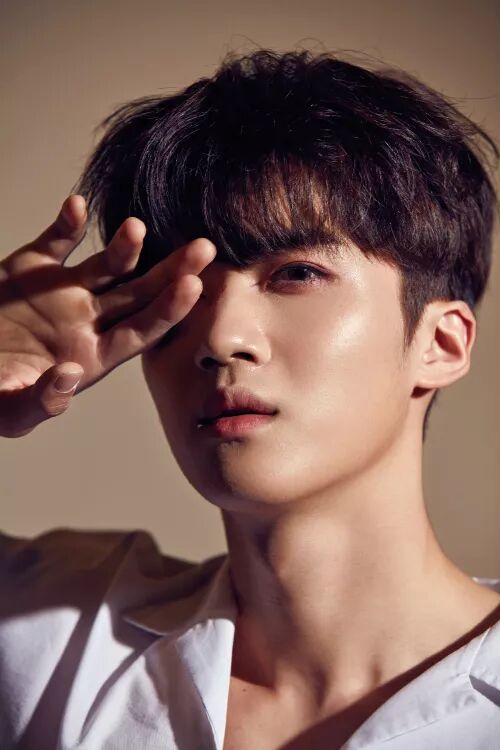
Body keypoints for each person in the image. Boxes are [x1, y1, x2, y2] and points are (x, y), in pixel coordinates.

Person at [0, 47, 499, 750]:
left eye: (296, 274)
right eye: (180, 292)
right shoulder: (48, 634)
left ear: (440, 343)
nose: (220, 337)